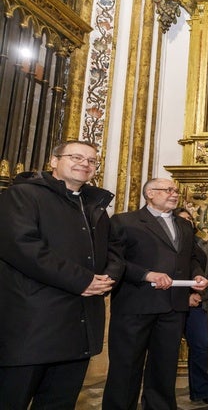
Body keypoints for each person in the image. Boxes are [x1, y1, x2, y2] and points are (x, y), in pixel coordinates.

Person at [0, 140, 122, 408]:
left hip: (79, 327)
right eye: (76, 157)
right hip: (33, 325)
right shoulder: (23, 195)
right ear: (54, 161)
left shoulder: (94, 205)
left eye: (91, 161)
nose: (85, 164)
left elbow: (113, 250)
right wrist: (82, 280)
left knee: (59, 403)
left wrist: (108, 277)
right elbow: (23, 247)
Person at [103, 178, 208, 409]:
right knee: (126, 367)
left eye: (176, 190)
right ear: (150, 193)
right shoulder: (125, 221)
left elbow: (191, 258)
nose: (174, 194)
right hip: (135, 305)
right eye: (168, 190)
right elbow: (113, 260)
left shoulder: (184, 225)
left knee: (164, 367)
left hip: (172, 307)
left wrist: (197, 275)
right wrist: (146, 275)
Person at [175, 207, 208, 405]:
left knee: (201, 346)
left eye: (190, 219)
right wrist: (184, 297)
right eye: (183, 219)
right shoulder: (169, 244)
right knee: (165, 348)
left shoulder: (202, 244)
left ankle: (201, 391)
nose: (188, 222)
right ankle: (161, 393)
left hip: (198, 304)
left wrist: (200, 295)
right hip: (173, 303)